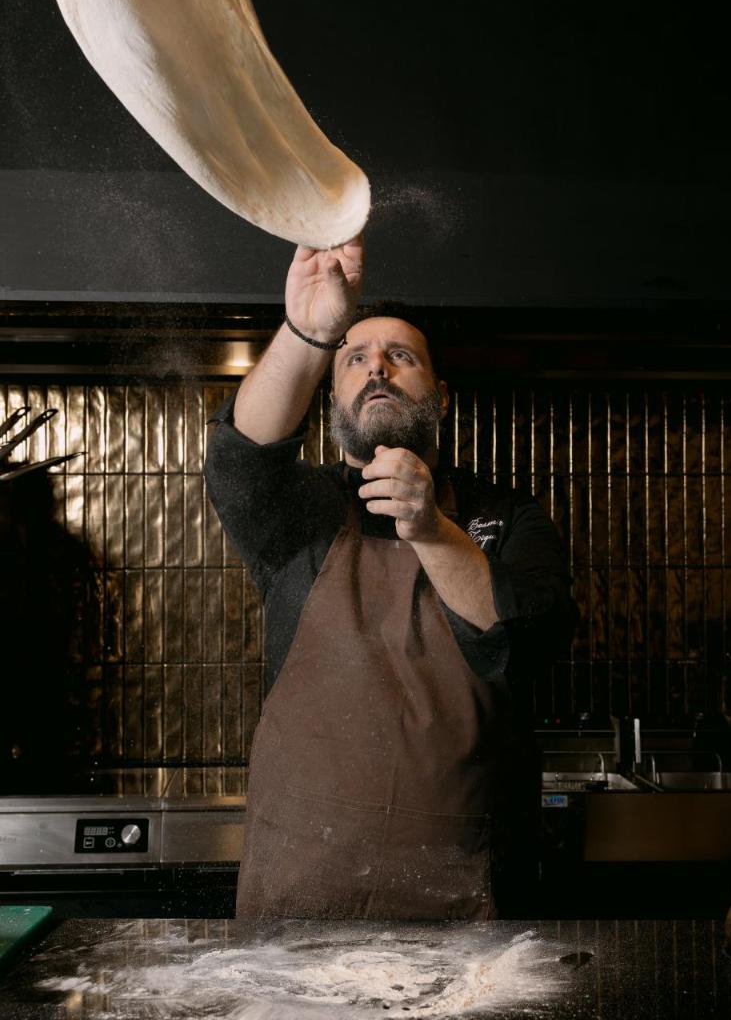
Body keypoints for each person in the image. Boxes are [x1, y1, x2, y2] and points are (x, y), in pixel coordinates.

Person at [204, 234, 577, 921]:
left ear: (441, 397)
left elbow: (533, 639)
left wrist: (432, 529)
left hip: (470, 910)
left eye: (401, 357)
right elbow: (239, 461)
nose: (376, 366)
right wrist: (308, 332)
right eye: (354, 359)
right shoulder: (302, 512)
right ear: (333, 398)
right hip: (301, 904)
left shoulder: (507, 515)